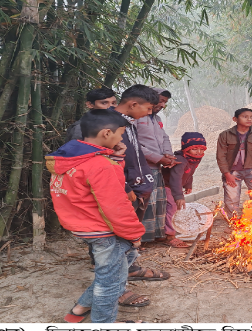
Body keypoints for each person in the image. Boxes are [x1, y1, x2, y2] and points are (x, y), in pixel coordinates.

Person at [46, 110, 143, 323]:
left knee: (111, 272)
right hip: (104, 231)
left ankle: (80, 309)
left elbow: (91, 185)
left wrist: (115, 157)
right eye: (120, 135)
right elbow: (115, 206)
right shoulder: (101, 165)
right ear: (107, 133)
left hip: (82, 226)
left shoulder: (69, 159)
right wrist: (135, 234)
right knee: (112, 283)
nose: (120, 140)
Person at [67, 86, 169, 283]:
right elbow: (94, 163)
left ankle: (128, 269)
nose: (149, 113)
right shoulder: (102, 124)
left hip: (137, 186)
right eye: (148, 109)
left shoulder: (128, 122)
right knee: (112, 238)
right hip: (119, 190)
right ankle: (111, 282)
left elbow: (132, 154)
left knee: (125, 239)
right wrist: (126, 188)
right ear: (133, 104)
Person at [135, 88, 178, 245]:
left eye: (165, 102)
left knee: (157, 203)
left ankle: (155, 235)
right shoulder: (136, 118)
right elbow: (136, 145)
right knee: (143, 204)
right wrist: (158, 158)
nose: (162, 105)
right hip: (142, 167)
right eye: (160, 101)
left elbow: (165, 137)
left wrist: (167, 154)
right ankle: (139, 240)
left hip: (157, 167)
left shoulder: (156, 119)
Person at [216, 108, 252, 215]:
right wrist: (227, 174)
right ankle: (232, 222)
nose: (249, 119)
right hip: (232, 172)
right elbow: (221, 156)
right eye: (245, 117)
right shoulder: (225, 135)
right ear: (235, 119)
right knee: (231, 199)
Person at [163, 132, 207, 238]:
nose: (198, 152)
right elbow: (175, 179)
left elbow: (189, 173)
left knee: (176, 208)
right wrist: (178, 196)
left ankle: (173, 228)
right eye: (195, 148)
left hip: (174, 187)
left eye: (201, 149)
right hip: (167, 186)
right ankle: (169, 234)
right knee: (173, 206)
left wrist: (188, 185)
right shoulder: (180, 160)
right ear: (186, 148)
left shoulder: (193, 159)